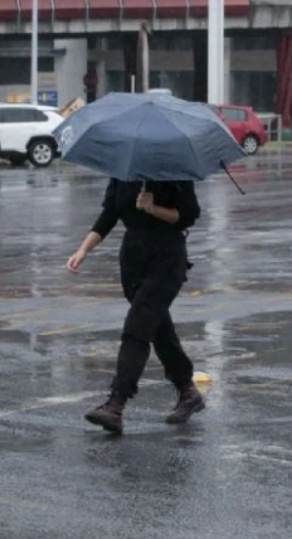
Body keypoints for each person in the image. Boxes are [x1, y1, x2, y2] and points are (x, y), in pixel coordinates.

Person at [67, 179, 204, 434]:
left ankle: (116, 404)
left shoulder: (173, 170)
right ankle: (188, 390)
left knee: (137, 328)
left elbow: (187, 216)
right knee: (157, 327)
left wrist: (154, 209)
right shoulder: (124, 169)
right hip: (133, 261)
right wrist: (83, 249)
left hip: (166, 259)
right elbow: (110, 213)